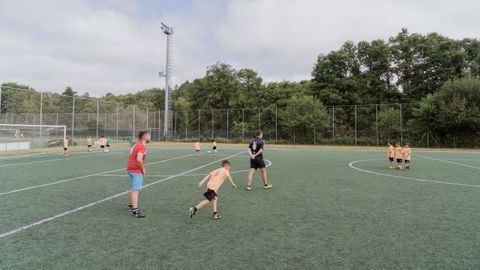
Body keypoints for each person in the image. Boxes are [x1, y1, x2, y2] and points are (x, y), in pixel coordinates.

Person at [127, 130, 150, 218]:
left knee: (134, 188)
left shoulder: (137, 144)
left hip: (130, 169)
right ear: (144, 136)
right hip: (136, 170)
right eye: (149, 135)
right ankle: (135, 211)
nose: (150, 137)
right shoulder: (142, 146)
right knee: (136, 190)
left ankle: (131, 205)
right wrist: (143, 168)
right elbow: (139, 158)